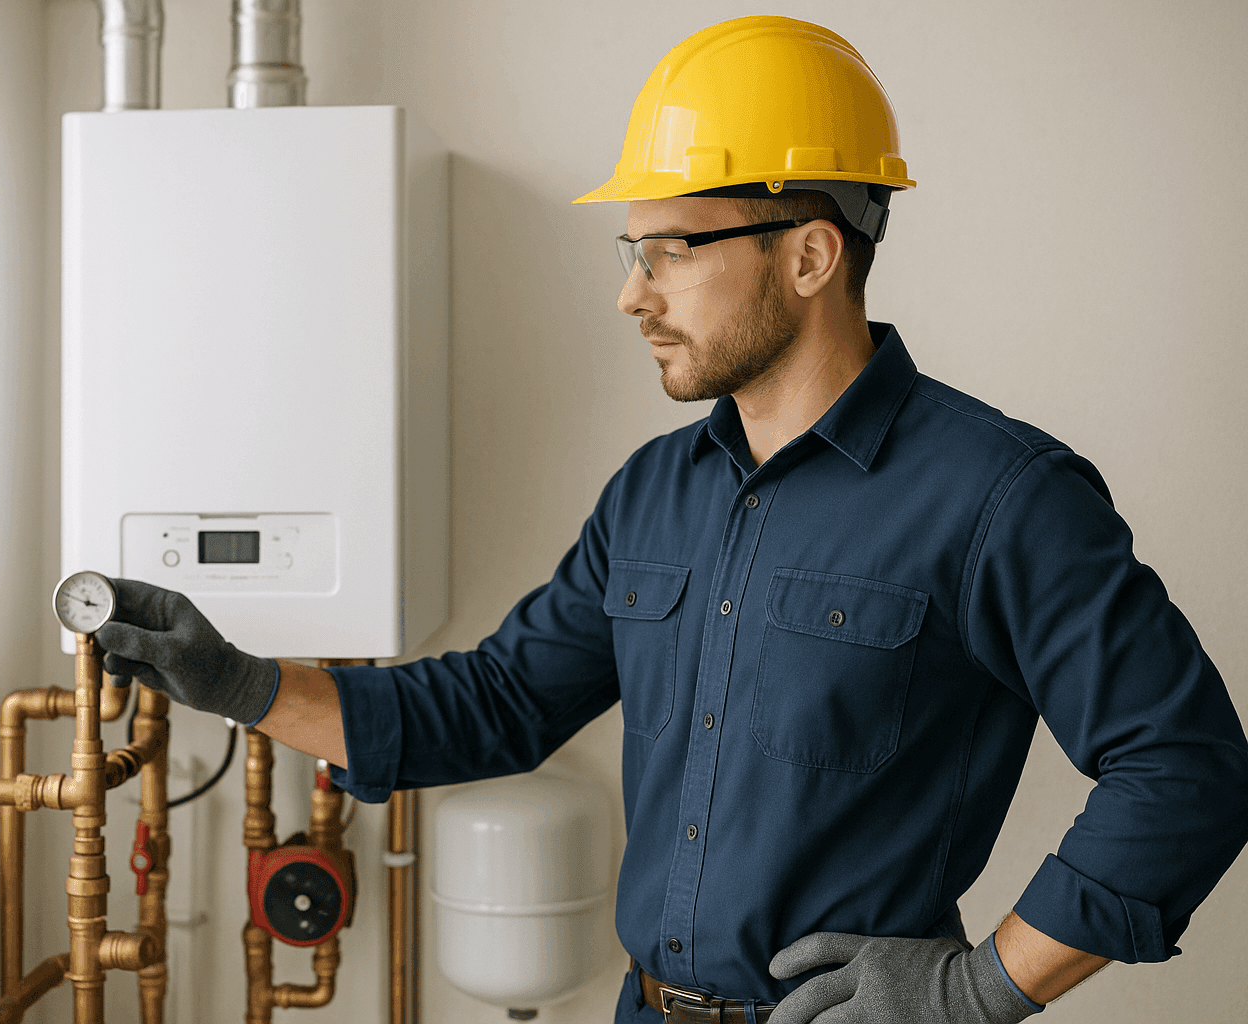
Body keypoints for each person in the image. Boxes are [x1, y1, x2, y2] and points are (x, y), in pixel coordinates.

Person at [96, 17, 1248, 1024]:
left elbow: (1187, 767)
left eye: (671, 251)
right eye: (631, 250)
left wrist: (977, 989)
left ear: (808, 254)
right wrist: (243, 684)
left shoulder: (1001, 497)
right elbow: (496, 703)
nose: (631, 293)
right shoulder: (653, 494)